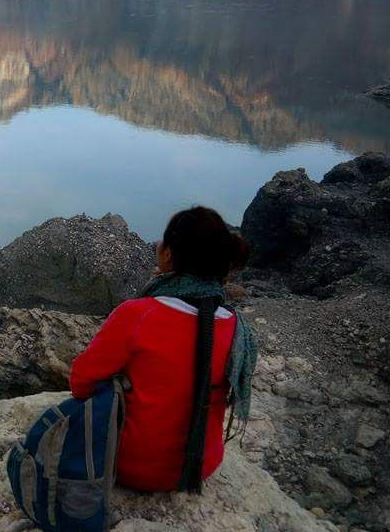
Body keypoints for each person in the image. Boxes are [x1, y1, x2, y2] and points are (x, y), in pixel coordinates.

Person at [68, 206, 257, 493]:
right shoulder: (235, 326)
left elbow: (81, 382)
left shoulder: (137, 314)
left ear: (167, 255)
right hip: (201, 466)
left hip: (132, 467)